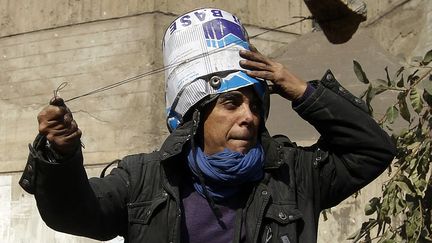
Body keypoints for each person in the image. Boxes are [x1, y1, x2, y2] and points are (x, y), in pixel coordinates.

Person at [19, 8, 395, 243]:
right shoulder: (145, 178)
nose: (248, 116)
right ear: (196, 117)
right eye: (231, 103)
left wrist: (300, 90)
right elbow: (71, 213)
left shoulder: (293, 174)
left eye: (254, 104)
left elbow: (372, 149)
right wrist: (60, 155)